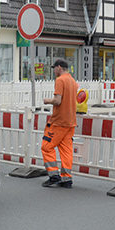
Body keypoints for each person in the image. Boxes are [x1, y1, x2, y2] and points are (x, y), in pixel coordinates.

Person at [41, 59, 78, 188]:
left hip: (58, 121)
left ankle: (54, 176)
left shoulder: (60, 80)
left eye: (54, 68)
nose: (54, 71)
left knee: (47, 147)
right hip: (70, 122)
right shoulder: (73, 81)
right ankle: (66, 179)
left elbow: (57, 101)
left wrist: (47, 101)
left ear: (59, 67)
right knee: (66, 150)